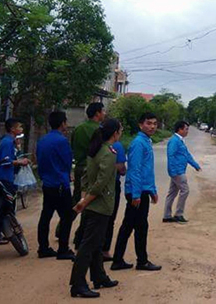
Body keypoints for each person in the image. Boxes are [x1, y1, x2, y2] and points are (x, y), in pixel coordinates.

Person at [69, 119, 123, 298]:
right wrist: (84, 201)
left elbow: (85, 177)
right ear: (115, 132)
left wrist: (85, 198)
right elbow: (101, 184)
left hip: (92, 203)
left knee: (97, 243)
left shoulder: (95, 150)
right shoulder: (109, 153)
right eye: (120, 130)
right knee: (88, 246)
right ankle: (77, 283)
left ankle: (99, 276)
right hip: (100, 205)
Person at [111, 112, 161, 272]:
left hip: (141, 190)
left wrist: (151, 190)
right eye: (148, 123)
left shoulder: (146, 141)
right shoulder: (139, 143)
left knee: (133, 226)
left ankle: (121, 260)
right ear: (141, 125)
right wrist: (137, 194)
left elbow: (147, 171)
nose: (152, 126)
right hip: (136, 192)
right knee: (136, 226)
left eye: (154, 123)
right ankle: (140, 261)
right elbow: (135, 170)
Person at [36, 110, 76, 260]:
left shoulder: (42, 140)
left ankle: (43, 248)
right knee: (66, 216)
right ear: (62, 123)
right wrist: (67, 175)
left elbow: (38, 159)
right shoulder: (62, 141)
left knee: (45, 215)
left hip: (47, 182)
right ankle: (63, 249)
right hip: (60, 183)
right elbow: (67, 161)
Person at [70, 102, 106, 247]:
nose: (104, 114)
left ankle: (63, 228)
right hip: (91, 170)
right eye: (103, 111)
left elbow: (73, 147)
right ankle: (81, 236)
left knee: (77, 200)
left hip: (79, 167)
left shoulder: (78, 128)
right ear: (97, 113)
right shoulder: (100, 131)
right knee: (89, 202)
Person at [163, 121, 201, 223]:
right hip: (177, 171)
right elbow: (170, 156)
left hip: (178, 170)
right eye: (186, 129)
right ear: (179, 129)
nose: (187, 131)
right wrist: (173, 171)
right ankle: (178, 214)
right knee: (185, 190)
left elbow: (186, 155)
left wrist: (195, 165)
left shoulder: (180, 141)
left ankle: (166, 216)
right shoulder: (174, 141)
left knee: (172, 193)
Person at [101, 138, 127, 261]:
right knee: (109, 218)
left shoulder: (96, 144)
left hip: (95, 184)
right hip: (111, 186)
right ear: (116, 132)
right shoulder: (116, 146)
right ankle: (104, 251)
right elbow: (121, 168)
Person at [0, 118, 29, 191]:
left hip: (9, 176)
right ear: (12, 129)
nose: (21, 129)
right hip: (4, 177)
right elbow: (5, 161)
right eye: (19, 127)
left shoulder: (11, 141)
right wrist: (20, 162)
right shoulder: (7, 142)